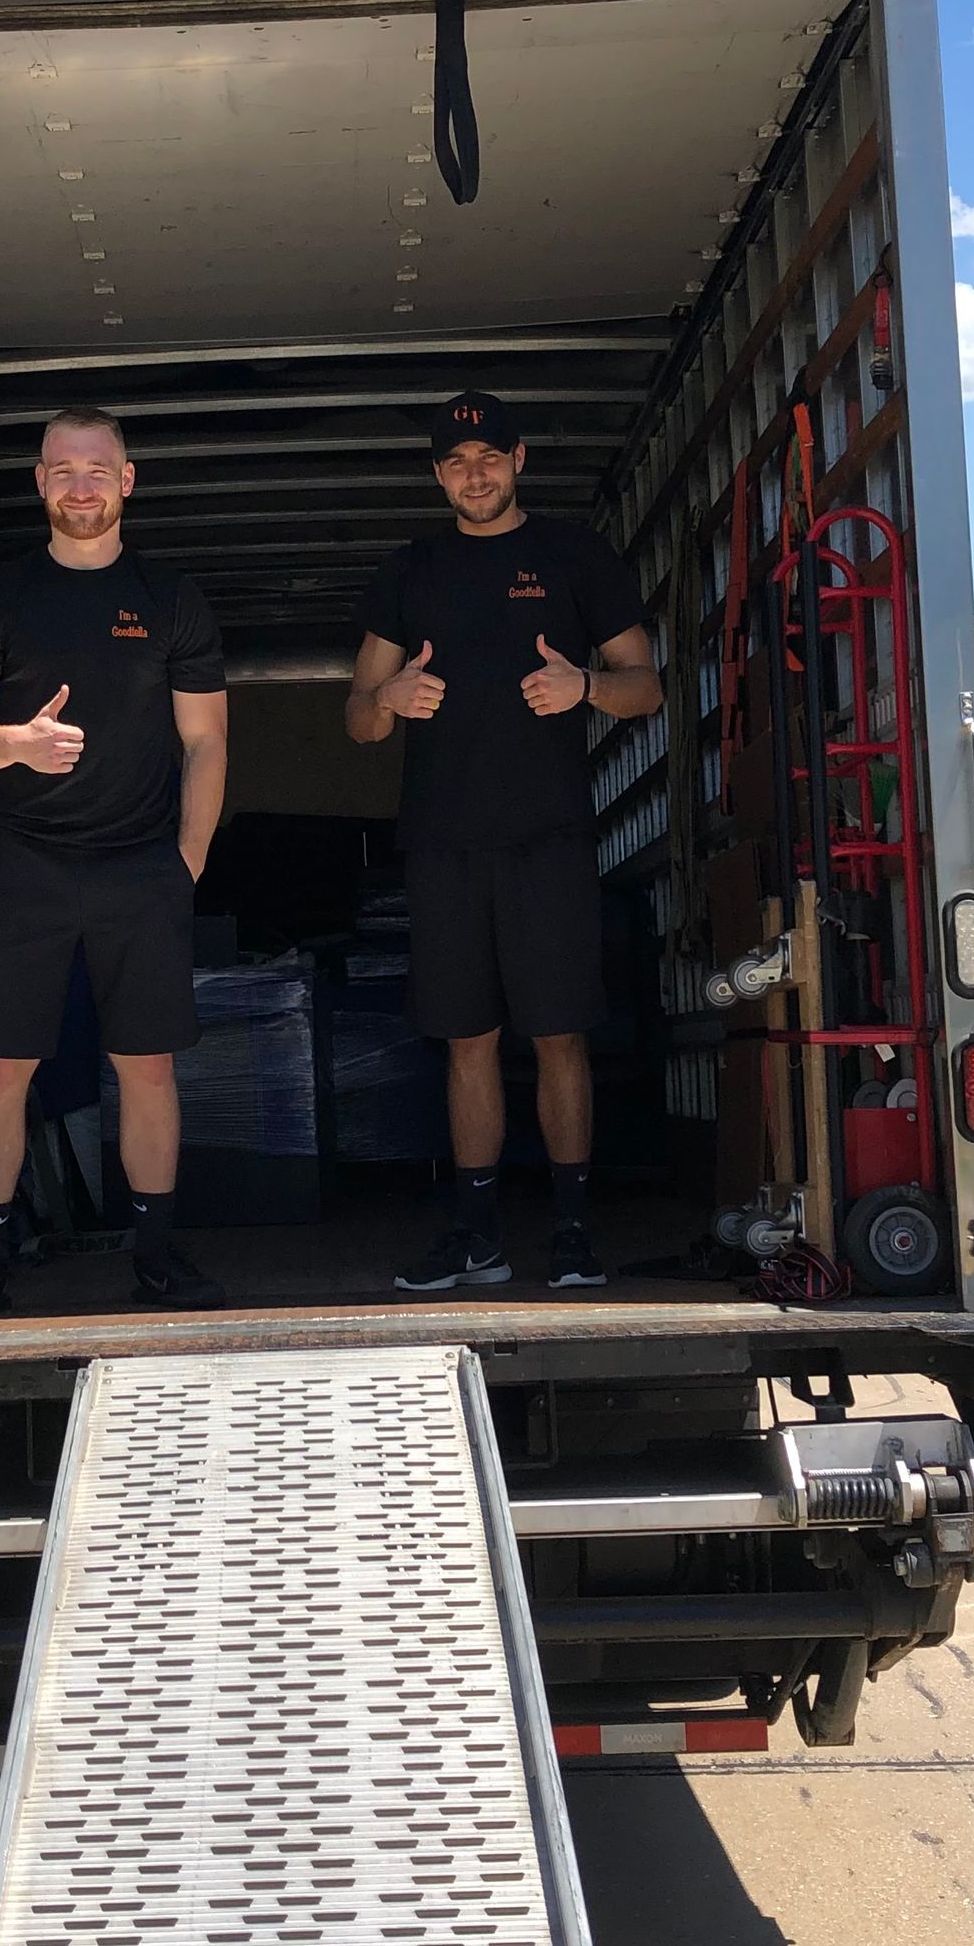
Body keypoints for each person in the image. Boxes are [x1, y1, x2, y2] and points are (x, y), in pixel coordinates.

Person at [346, 390, 661, 1291]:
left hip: (549, 840)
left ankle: (570, 1233)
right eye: (455, 462)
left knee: (561, 1033)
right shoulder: (410, 569)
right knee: (467, 1037)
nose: (473, 474)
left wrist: (588, 688)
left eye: (488, 457)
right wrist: (389, 701)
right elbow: (357, 718)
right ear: (438, 474)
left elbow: (649, 685)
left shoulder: (573, 554)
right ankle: (475, 1233)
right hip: (444, 844)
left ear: (518, 459)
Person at [0, 407, 230, 1312]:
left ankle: (157, 1256)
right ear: (40, 483)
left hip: (142, 864)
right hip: (22, 865)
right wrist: (14, 742)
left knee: (147, 1067)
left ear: (128, 481)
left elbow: (206, 741)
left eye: (98, 468)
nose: (82, 485)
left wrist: (188, 859)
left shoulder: (172, 600)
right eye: (63, 469)